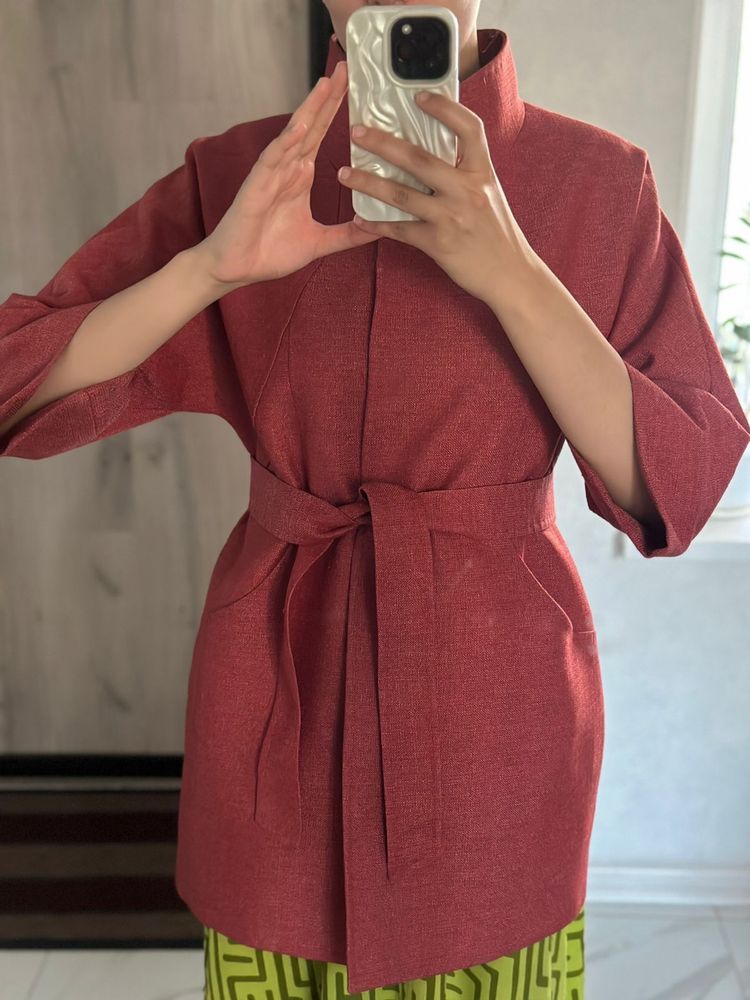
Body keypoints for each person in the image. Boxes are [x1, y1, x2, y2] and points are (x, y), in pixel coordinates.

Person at [1, 1, 748, 998]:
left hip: (495, 713)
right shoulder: (238, 176)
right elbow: (16, 382)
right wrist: (208, 268)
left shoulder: (602, 182)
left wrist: (513, 272)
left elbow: (682, 483)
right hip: (279, 698)